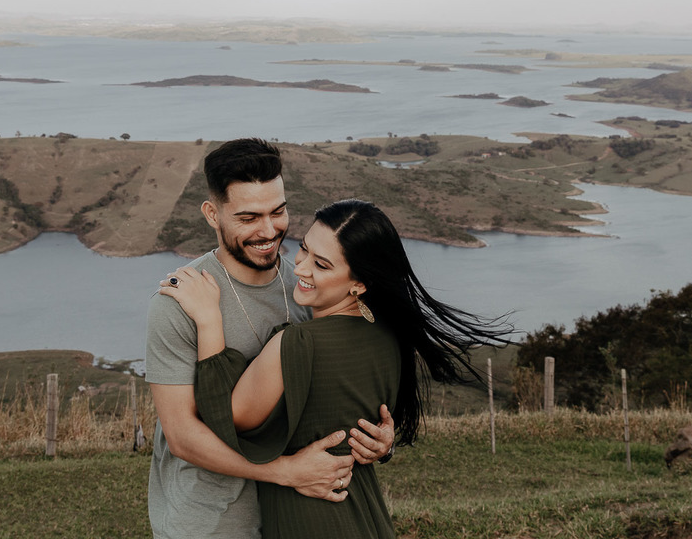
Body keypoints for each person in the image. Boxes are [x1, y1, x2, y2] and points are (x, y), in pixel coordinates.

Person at [160, 198, 513, 539]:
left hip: (311, 521)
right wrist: (383, 446)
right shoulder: (388, 336)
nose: (300, 268)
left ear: (359, 283)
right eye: (304, 249)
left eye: (322, 265)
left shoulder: (298, 344)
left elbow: (221, 420)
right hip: (368, 516)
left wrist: (208, 320)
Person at [145, 139, 395, 539]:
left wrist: (379, 441)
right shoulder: (180, 301)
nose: (268, 231)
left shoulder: (310, 288)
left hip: (297, 517)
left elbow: (328, 396)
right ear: (213, 214)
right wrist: (283, 472)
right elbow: (182, 437)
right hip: (213, 523)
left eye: (277, 211)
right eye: (248, 218)